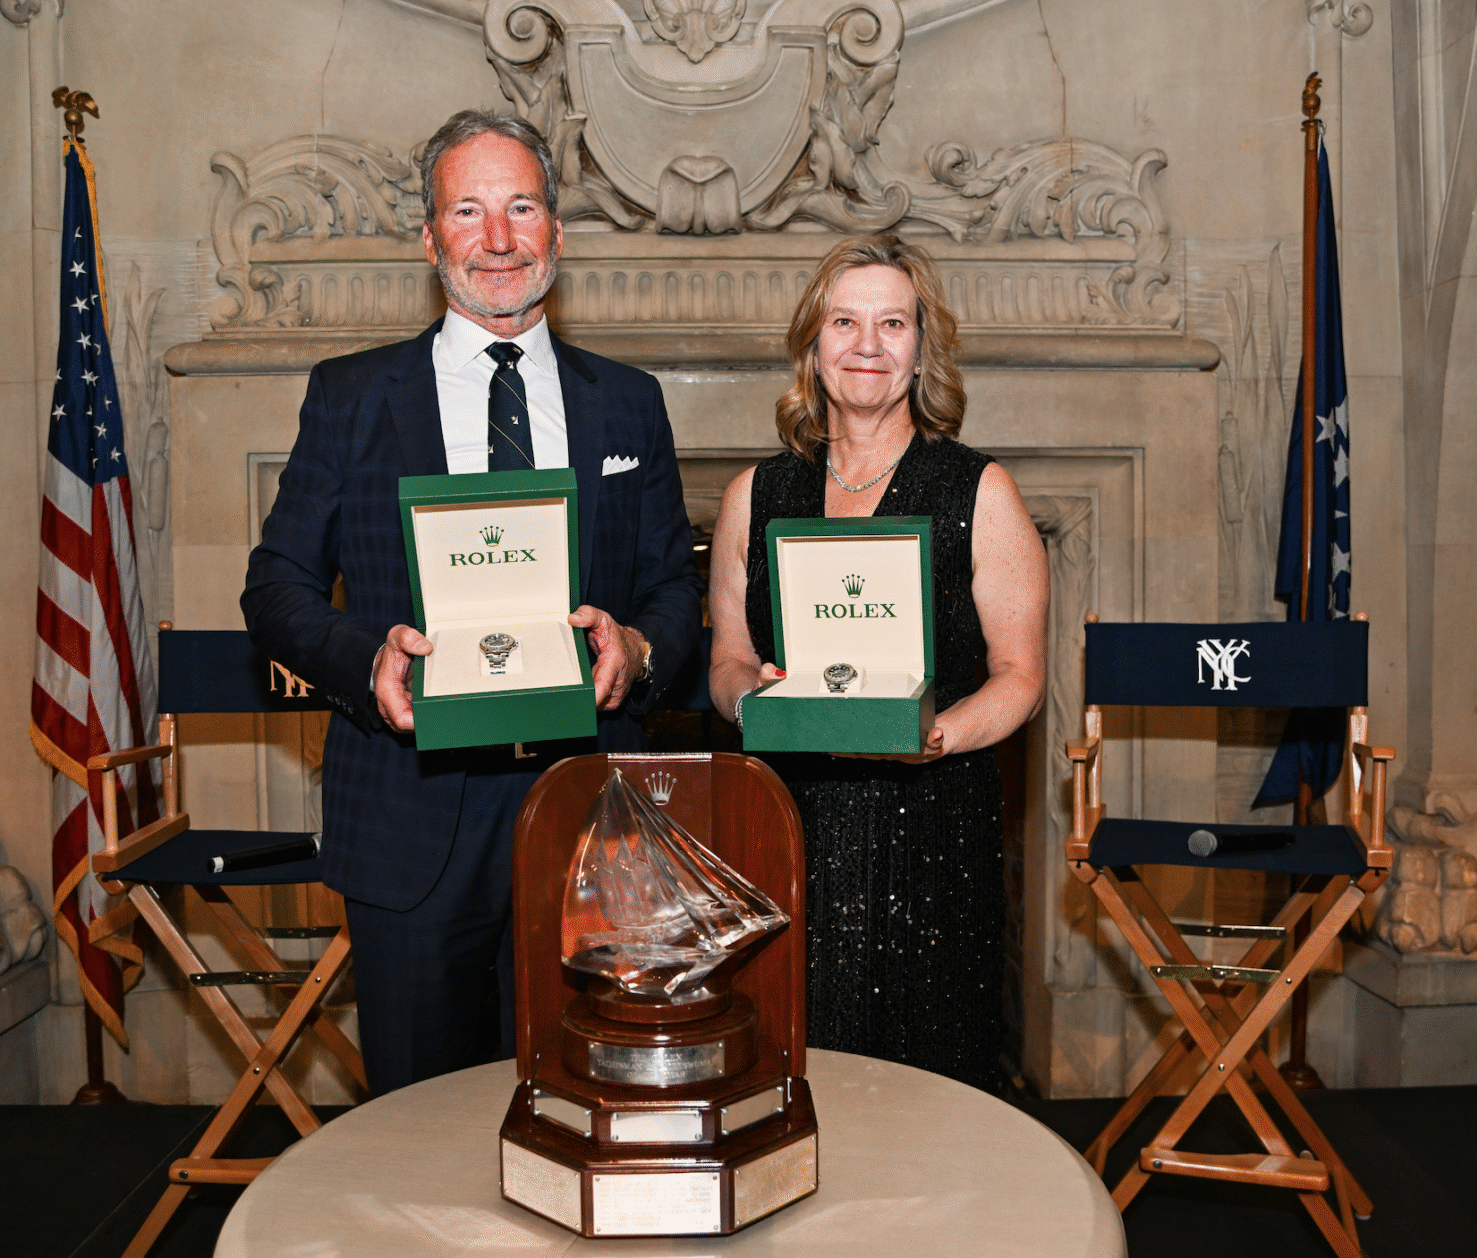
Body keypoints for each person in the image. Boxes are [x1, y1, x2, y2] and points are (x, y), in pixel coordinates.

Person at [243, 111, 703, 1096]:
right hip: (411, 812)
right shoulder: (351, 396)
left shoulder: (628, 401)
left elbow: (675, 585)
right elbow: (274, 585)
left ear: (557, 231)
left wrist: (639, 645)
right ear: (430, 239)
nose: (498, 238)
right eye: (468, 211)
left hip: (588, 813)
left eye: (522, 207)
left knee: (587, 1104)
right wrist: (368, 661)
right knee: (419, 1126)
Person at [706, 236, 1047, 1090]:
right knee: (786, 1068)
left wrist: (939, 735)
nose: (867, 344)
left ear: (921, 349)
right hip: (790, 822)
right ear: (812, 347)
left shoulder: (980, 492)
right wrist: (753, 702)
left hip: (932, 826)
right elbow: (728, 661)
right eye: (844, 322)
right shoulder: (754, 495)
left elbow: (1021, 676)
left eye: (892, 323)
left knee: (930, 1083)